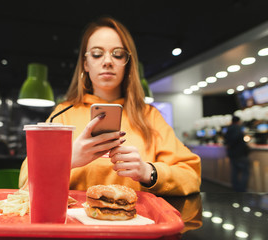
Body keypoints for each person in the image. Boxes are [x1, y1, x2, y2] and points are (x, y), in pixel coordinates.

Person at [19, 17, 201, 196]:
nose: (107, 61)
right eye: (97, 54)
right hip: (75, 223)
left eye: (118, 54)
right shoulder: (64, 113)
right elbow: (25, 181)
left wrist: (148, 172)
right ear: (85, 64)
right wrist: (67, 160)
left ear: (127, 63)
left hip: (135, 222)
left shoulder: (149, 115)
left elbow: (191, 175)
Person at [224, 115, 250, 192]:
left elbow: (227, 141)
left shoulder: (228, 129)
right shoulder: (238, 128)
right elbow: (237, 139)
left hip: (232, 154)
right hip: (240, 154)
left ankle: (236, 189)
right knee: (245, 172)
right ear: (238, 121)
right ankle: (242, 190)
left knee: (234, 172)